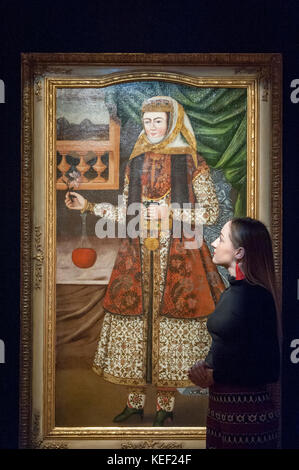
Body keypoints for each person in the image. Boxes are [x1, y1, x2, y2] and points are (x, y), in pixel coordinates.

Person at [65, 96, 225, 426]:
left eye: (158, 121)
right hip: (136, 257)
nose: (151, 128)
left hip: (181, 257)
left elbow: (211, 213)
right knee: (135, 326)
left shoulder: (193, 162)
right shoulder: (134, 163)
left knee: (169, 329)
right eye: (147, 121)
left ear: (173, 124)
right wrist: (88, 206)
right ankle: (135, 403)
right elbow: (126, 214)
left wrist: (172, 211)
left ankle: (165, 407)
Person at [188, 217, 281, 449]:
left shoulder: (258, 297)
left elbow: (267, 368)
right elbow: (230, 349)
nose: (213, 243)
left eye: (220, 238)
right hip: (221, 409)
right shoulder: (230, 294)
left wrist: (214, 376)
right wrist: (204, 368)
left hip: (247, 415)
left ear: (239, 252)